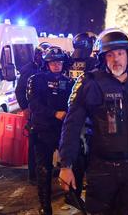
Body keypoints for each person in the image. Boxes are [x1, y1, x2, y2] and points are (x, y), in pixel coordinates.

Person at [58, 30, 128, 215]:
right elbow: (71, 126)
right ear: (103, 58)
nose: (116, 59)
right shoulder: (89, 83)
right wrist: (66, 165)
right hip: (101, 169)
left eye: (120, 53)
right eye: (110, 54)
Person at [27, 46, 79, 215]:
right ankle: (45, 205)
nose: (56, 65)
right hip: (42, 130)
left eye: (59, 62)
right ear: (46, 63)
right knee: (43, 169)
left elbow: (74, 104)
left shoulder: (70, 82)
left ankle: (72, 196)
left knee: (72, 164)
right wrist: (54, 113)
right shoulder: (35, 79)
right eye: (53, 62)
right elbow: (34, 104)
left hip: (62, 130)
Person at [15, 42, 51, 184]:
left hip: (43, 111)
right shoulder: (29, 70)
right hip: (34, 111)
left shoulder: (42, 68)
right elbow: (20, 91)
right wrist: (25, 108)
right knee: (34, 143)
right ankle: (33, 175)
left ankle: (43, 170)